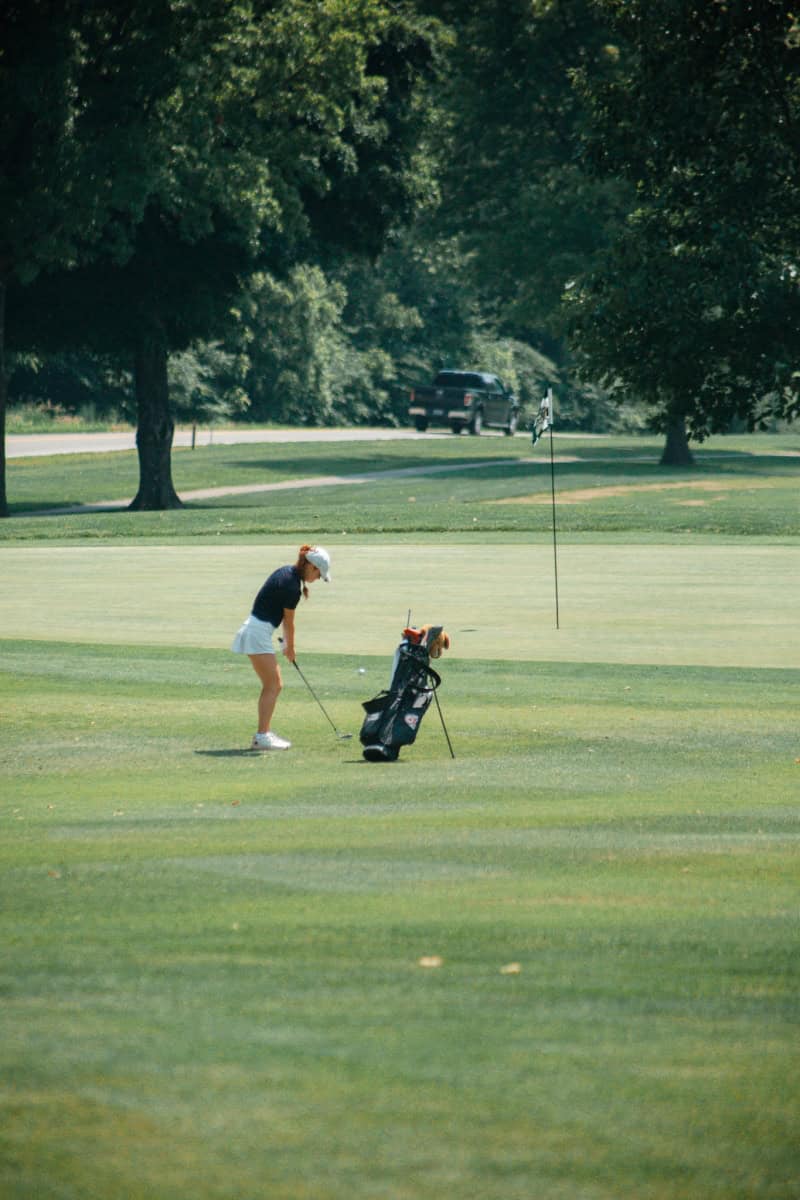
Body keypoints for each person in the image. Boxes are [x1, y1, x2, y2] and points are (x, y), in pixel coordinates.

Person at [231, 544, 331, 750]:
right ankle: (262, 736)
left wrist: (286, 644)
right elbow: (289, 622)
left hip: (255, 630)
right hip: (257, 634)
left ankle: (262, 735)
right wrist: (290, 648)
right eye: (318, 574)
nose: (317, 579)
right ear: (311, 567)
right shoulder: (292, 587)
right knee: (274, 685)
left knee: (273, 685)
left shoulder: (286, 572)